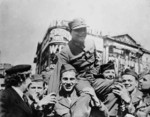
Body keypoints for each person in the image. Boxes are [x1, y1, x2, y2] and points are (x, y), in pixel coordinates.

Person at [48, 18, 117, 117]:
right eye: (77, 31)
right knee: (87, 94)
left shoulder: (91, 43)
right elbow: (58, 74)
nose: (81, 33)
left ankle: (110, 114)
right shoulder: (65, 52)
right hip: (81, 79)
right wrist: (52, 96)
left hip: (94, 77)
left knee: (114, 87)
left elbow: (96, 60)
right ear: (70, 32)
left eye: (83, 30)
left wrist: (98, 73)